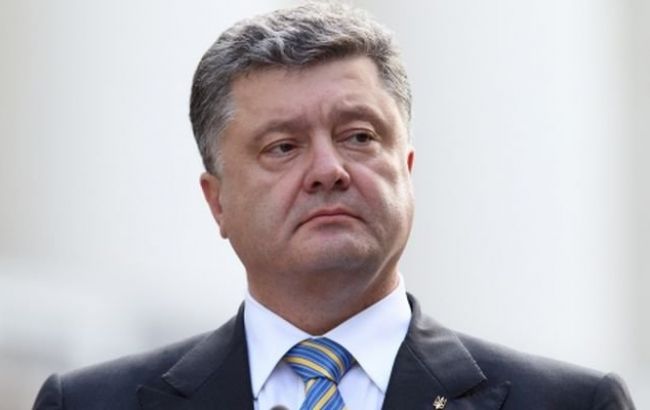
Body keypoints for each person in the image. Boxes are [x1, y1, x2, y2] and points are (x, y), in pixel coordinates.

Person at [33, 3, 635, 409]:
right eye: (283, 147)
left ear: (406, 169)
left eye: (359, 136)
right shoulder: (89, 403)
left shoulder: (567, 403)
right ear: (218, 203)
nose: (328, 169)